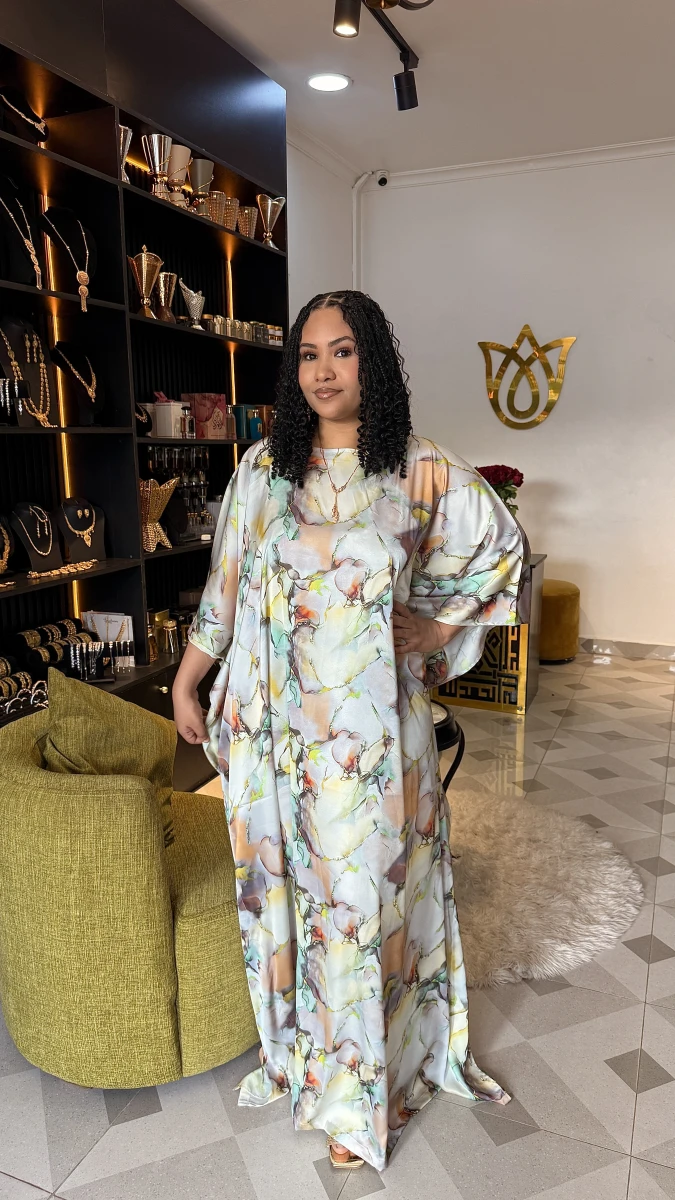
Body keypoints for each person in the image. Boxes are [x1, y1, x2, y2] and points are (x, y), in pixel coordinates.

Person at [172, 290, 524, 1172]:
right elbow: (225, 586)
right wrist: (187, 679)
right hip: (280, 737)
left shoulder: (418, 468)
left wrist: (436, 629)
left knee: (365, 908)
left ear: (373, 361)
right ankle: (307, 1060)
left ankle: (359, 1092)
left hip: (373, 742)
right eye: (308, 354)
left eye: (342, 351)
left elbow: (501, 550)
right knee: (297, 899)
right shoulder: (263, 470)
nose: (323, 371)